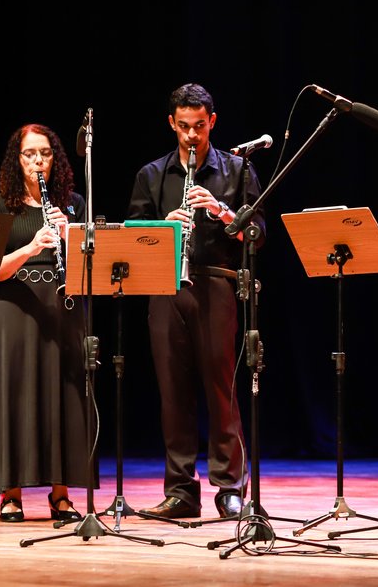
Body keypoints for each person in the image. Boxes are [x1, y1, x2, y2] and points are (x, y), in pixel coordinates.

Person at [128, 83, 262, 519]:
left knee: (220, 390)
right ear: (172, 123)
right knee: (173, 393)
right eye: (183, 127)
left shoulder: (237, 170)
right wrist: (163, 227)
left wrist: (225, 213)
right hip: (167, 288)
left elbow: (259, 234)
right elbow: (133, 241)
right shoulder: (152, 174)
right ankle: (181, 490)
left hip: (217, 286)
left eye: (199, 127)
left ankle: (229, 488)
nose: (191, 135)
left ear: (212, 122)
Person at [0, 123, 90, 522]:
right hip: (16, 308)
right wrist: (32, 246)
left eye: (44, 153)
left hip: (62, 308)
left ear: (54, 158)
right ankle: (11, 494)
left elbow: (94, 265)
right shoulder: (0, 206)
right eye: (29, 154)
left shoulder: (73, 203)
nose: (37, 161)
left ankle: (60, 494)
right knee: (15, 395)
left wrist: (71, 236)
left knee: (60, 396)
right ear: (17, 160)